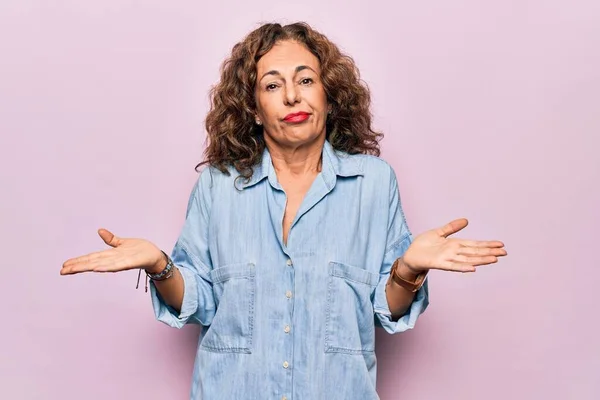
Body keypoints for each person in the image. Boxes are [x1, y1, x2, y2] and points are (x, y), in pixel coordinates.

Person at [60, 21, 507, 400]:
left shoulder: (374, 183)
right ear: (253, 109)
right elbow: (199, 302)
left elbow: (384, 309)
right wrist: (160, 265)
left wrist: (408, 268)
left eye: (306, 80)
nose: (293, 96)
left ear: (329, 96)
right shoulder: (217, 186)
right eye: (272, 85)